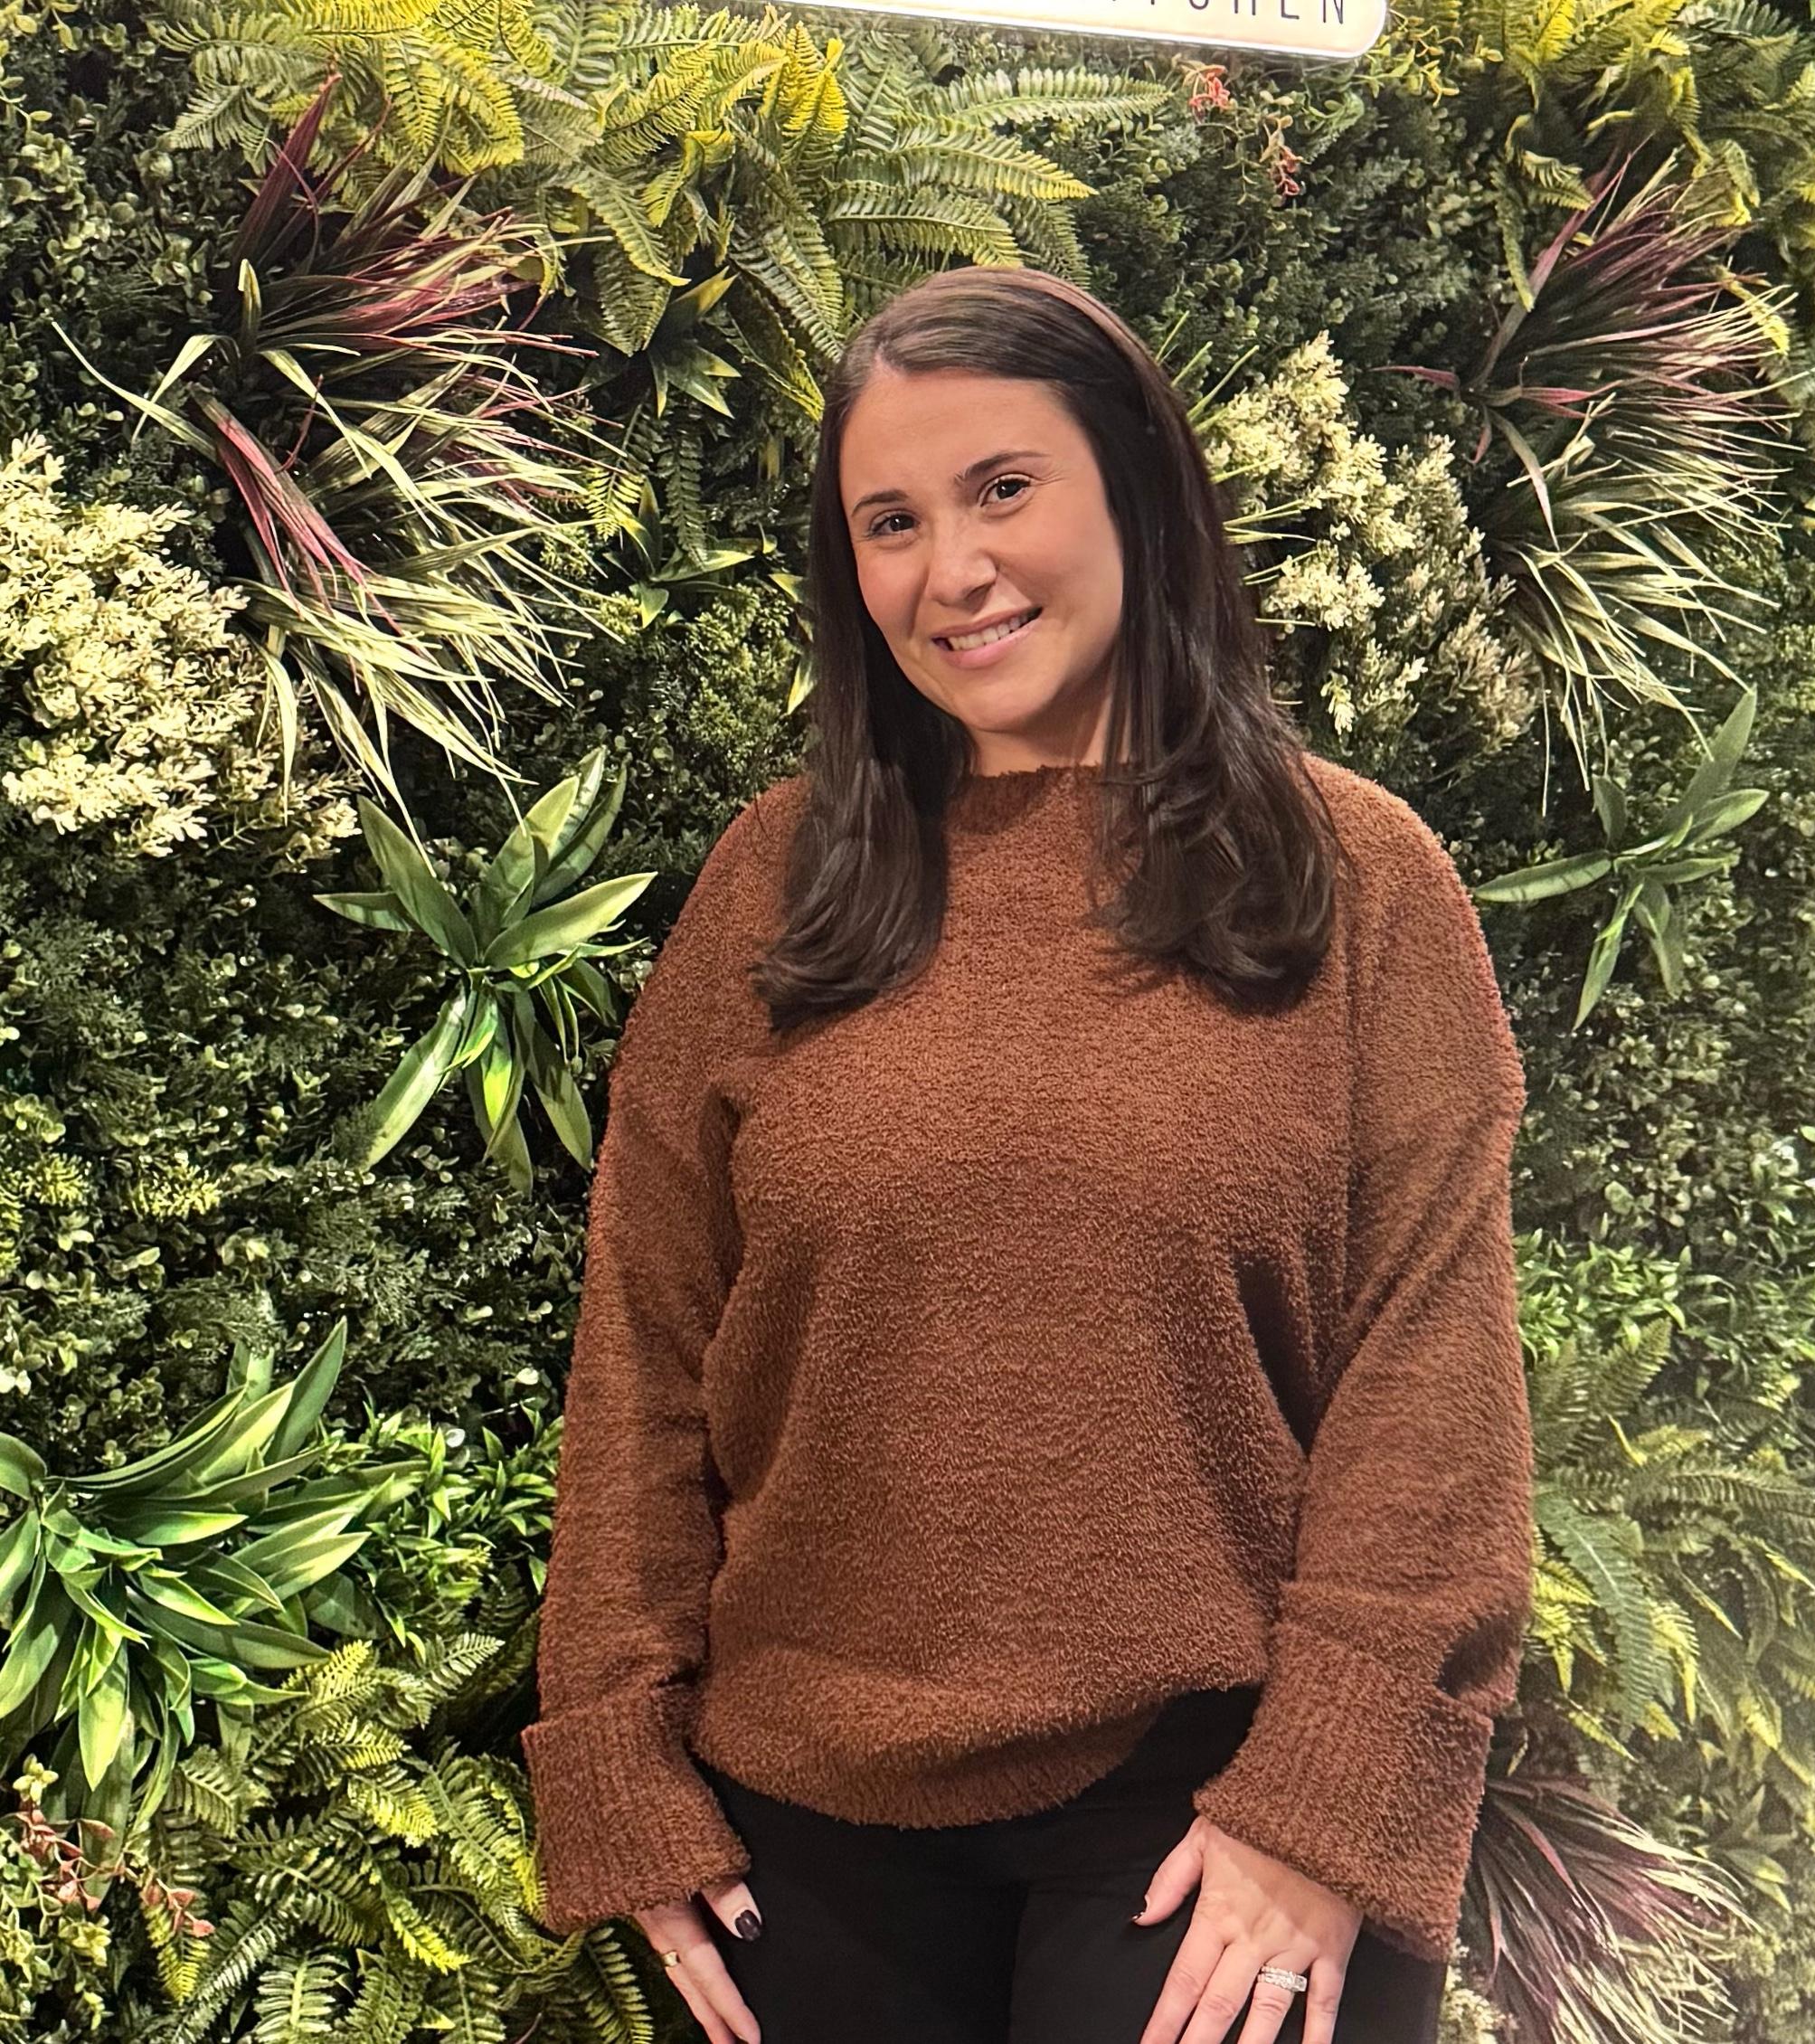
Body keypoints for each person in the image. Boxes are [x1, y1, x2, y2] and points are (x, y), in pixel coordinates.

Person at [518, 265, 1536, 2044]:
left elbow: (1428, 1387)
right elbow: (647, 1343)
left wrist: (1328, 1798)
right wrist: (617, 1743)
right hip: (798, 1819)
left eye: (1003, 487)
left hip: (1214, 1806)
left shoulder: (1355, 881)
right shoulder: (777, 884)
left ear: (1135, 483)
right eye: (890, 522)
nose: (953, 569)